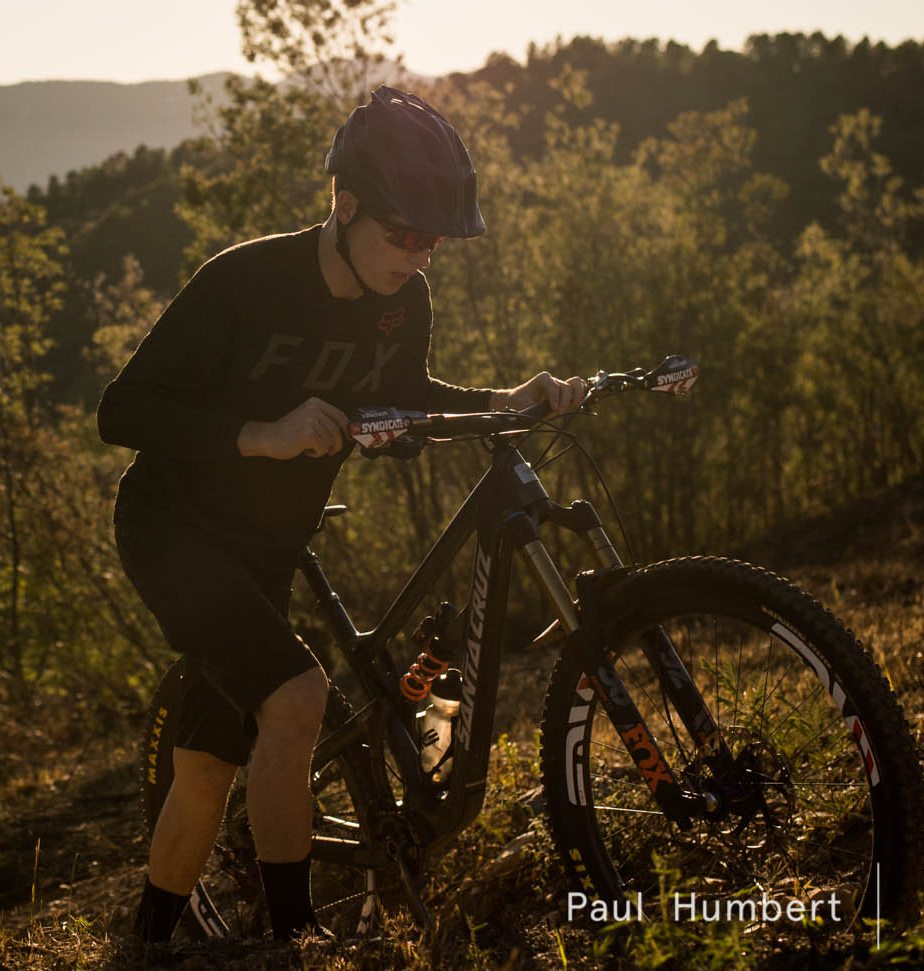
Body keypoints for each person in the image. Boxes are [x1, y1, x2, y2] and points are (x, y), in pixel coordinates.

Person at [97, 86, 584, 944]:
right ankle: (295, 942)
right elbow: (122, 410)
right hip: (174, 527)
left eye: (431, 241)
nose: (418, 256)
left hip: (267, 545)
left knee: (207, 762)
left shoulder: (404, 303)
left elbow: (407, 400)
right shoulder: (245, 281)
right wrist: (263, 435)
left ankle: (148, 939)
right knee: (297, 697)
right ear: (344, 203)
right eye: (403, 235)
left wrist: (508, 400)